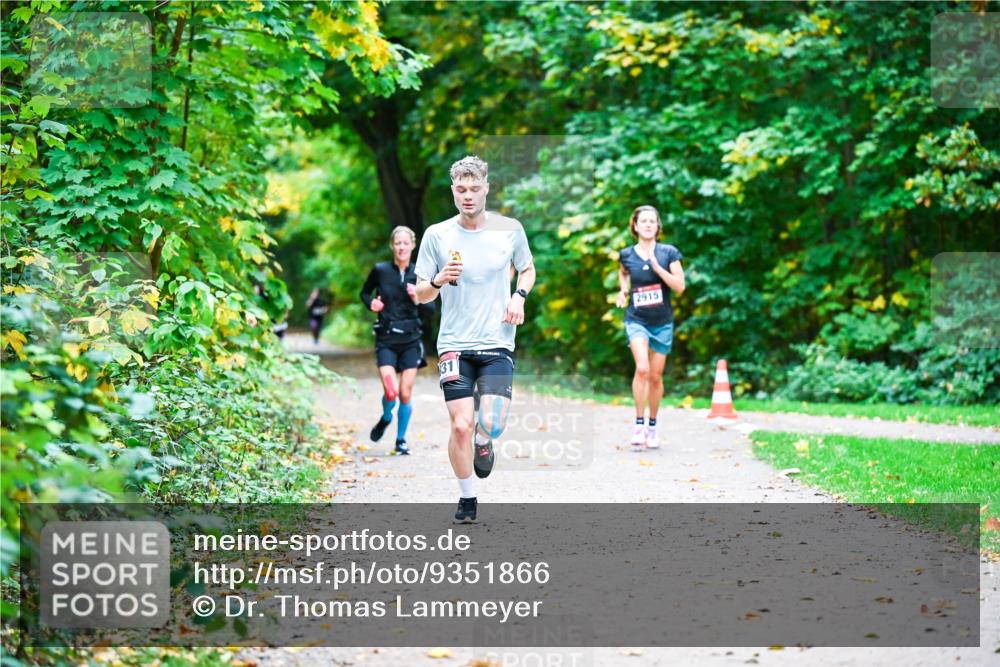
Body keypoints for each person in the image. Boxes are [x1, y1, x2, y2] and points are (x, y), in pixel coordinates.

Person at [414, 155, 535, 523]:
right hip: (454, 343)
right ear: (453, 192)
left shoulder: (509, 229)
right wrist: (436, 281)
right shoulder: (437, 235)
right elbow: (419, 292)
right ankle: (467, 497)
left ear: (486, 188)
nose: (468, 196)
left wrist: (519, 296)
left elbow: (527, 270)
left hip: (498, 340)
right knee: (461, 423)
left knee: (491, 424)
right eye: (461, 190)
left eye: (474, 189)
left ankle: (486, 443)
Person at [359, 226, 436, 455]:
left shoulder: (421, 275)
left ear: (413, 245)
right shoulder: (380, 270)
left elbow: (431, 311)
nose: (402, 247)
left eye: (406, 243)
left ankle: (401, 440)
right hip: (386, 338)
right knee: (391, 393)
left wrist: (417, 298)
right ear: (392, 246)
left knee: (405, 393)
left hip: (411, 340)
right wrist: (371, 304)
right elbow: (364, 293)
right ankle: (385, 417)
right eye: (398, 243)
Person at [615, 205, 685, 450]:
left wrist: (658, 268)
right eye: (643, 221)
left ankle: (652, 427)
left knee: (656, 377)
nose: (647, 224)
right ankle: (638, 424)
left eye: (652, 221)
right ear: (635, 225)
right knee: (642, 369)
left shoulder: (669, 253)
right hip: (636, 319)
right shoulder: (626, 254)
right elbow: (623, 275)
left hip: (662, 322)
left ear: (658, 226)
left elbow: (680, 286)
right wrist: (623, 292)